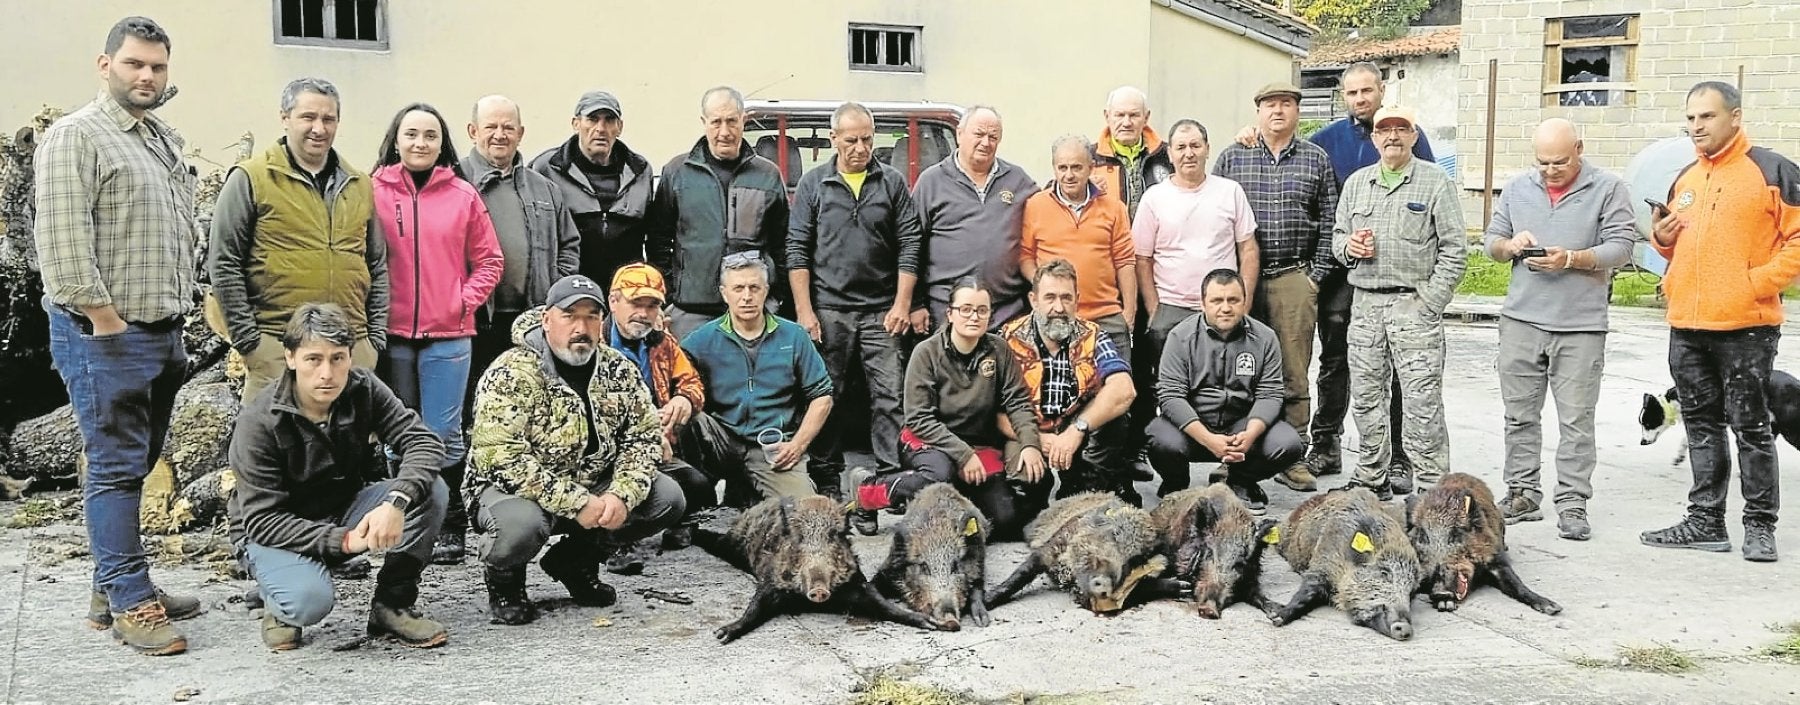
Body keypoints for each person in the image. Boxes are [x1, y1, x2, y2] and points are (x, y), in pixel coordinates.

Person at [34, 15, 203, 655]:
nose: (147, 76)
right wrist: (105, 321)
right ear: (106, 64)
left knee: (136, 464)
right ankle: (132, 602)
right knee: (113, 467)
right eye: (135, 64)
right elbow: (63, 245)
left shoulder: (157, 137)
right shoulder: (76, 137)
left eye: (157, 67)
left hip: (162, 329)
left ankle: (115, 582)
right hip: (104, 332)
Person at [1241, 62, 1437, 489]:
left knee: (1397, 371)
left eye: (1367, 90)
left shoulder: (1408, 137)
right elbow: (1291, 163)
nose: (1360, 99)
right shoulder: (1327, 141)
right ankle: (1326, 444)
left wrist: (1431, 294)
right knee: (1335, 363)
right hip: (1341, 278)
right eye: (1352, 93)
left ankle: (1399, 456)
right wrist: (1251, 134)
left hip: (1398, 279)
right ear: (1342, 96)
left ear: (1381, 90)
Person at [466, 275, 689, 624]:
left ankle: (575, 560)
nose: (581, 327)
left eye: (591, 316)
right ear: (546, 319)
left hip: (592, 483)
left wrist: (621, 495)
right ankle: (505, 581)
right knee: (519, 527)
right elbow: (501, 458)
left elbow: (643, 438)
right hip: (516, 490)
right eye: (570, 316)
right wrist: (577, 503)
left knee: (667, 498)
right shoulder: (511, 372)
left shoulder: (619, 369)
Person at [228, 303, 452, 651]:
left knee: (431, 490)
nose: (327, 373)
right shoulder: (259, 420)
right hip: (274, 531)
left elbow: (422, 441)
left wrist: (397, 500)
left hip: (342, 508)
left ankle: (392, 604)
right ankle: (279, 601)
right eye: (313, 359)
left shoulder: (362, 388)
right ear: (290, 358)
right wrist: (345, 541)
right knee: (309, 602)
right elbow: (262, 520)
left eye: (338, 358)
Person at [1640, 81, 1800, 562]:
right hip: (1687, 324)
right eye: (1689, 119)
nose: (1696, 127)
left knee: (1751, 427)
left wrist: (1754, 283)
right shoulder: (1685, 178)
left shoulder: (1773, 171)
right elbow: (1670, 247)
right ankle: (1705, 522)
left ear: (1735, 116)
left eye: (1706, 117)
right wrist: (1662, 240)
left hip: (1745, 327)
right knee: (1701, 426)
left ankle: (1760, 526)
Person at [1483, 118, 1637, 540]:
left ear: (1580, 149)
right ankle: (1521, 492)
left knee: (1576, 420)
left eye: (1560, 162)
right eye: (1543, 162)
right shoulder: (1517, 188)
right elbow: (1491, 241)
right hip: (1521, 320)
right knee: (1519, 416)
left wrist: (1572, 259)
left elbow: (1622, 247)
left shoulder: (1608, 188)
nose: (1550, 170)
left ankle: (1572, 502)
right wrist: (1509, 246)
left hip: (1580, 326)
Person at [371, 102, 504, 568]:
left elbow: (490, 260)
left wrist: (462, 300)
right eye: (411, 134)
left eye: (429, 135)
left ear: (442, 142)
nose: (420, 143)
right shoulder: (374, 192)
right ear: (396, 139)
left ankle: (447, 520)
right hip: (392, 334)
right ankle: (404, 514)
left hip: (450, 334)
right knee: (397, 432)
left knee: (444, 432)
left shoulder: (463, 194)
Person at [453, 94, 580, 564]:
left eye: (509, 127)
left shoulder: (543, 188)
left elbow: (570, 243)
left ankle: (530, 509)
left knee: (533, 419)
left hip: (530, 325)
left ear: (521, 134)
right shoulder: (456, 182)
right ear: (472, 132)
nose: (500, 135)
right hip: (473, 322)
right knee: (469, 418)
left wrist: (553, 294)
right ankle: (463, 515)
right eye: (491, 127)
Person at [209, 77, 388, 402]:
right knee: (272, 450)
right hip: (277, 348)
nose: (318, 128)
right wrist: (250, 342)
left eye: (328, 119)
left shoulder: (360, 184)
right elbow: (224, 263)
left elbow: (376, 264)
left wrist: (372, 340)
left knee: (344, 451)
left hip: (348, 352)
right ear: (285, 117)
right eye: (308, 117)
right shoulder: (252, 178)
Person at [787, 101, 925, 498]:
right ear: (834, 139)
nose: (860, 148)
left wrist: (901, 304)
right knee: (826, 395)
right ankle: (827, 479)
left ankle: (888, 478)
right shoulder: (814, 184)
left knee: (888, 397)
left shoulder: (892, 182)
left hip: (882, 311)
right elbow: (797, 249)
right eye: (851, 140)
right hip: (829, 310)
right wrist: (805, 312)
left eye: (867, 139)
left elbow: (910, 244)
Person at [1330, 105, 1466, 501]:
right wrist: (1348, 247)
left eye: (1400, 129)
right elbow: (1338, 238)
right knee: (1368, 398)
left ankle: (1430, 486)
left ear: (1412, 135)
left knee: (1421, 401)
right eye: (1383, 130)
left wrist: (1430, 303)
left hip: (1413, 306)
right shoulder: (1357, 183)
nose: (1391, 136)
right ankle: (1372, 477)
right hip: (1366, 305)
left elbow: (1455, 250)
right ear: (1374, 138)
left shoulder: (1435, 182)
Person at [1211, 82, 1340, 493]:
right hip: (1240, 281)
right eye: (1270, 104)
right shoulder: (1234, 156)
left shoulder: (1315, 159)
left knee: (1293, 369)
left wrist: (1314, 277)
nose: (1278, 111)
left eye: (1286, 104)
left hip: (1292, 278)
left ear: (1297, 112)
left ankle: (1292, 454)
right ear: (1258, 112)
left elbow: (1330, 219)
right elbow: (1214, 213)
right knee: (1236, 367)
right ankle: (1232, 454)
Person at [853, 278, 1050, 538]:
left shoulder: (999, 349)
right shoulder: (926, 352)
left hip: (979, 446)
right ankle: (868, 492)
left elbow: (1018, 402)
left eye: (982, 310)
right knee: (940, 475)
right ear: (950, 313)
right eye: (965, 309)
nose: (974, 316)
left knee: (1003, 521)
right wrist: (964, 455)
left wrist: (1029, 444)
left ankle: (946, 502)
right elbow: (919, 418)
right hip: (927, 441)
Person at [1131, 119, 1258, 446]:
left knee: (1230, 391)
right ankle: (1173, 464)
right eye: (1181, 147)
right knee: (1172, 392)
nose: (1189, 153)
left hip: (1223, 311)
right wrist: (1154, 309)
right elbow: (1142, 258)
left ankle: (1230, 460)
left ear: (1207, 149)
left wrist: (1244, 301)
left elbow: (1248, 248)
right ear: (1169, 154)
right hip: (1171, 310)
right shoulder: (1154, 198)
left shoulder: (1229, 191)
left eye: (1195, 146)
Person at [1146, 269, 1302, 515]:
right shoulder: (1180, 336)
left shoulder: (1265, 337)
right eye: (1217, 300)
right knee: (1158, 438)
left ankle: (1240, 481)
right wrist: (1208, 439)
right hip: (1194, 428)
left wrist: (1251, 433)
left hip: (1241, 425)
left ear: (1244, 301)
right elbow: (1170, 396)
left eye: (1233, 300)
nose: (1226, 308)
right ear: (1203, 304)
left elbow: (1270, 392)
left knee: (1288, 444)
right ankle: (1176, 485)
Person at [681, 255, 835, 500]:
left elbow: (822, 396)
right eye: (738, 288)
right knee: (689, 416)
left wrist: (797, 445)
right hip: (721, 442)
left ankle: (746, 490)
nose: (746, 296)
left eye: (754, 288)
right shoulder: (701, 340)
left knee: (803, 512)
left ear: (766, 291)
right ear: (724, 293)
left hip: (770, 447)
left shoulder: (793, 336)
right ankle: (697, 504)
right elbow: (672, 379)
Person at [648, 86, 790, 339]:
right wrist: (670, 296)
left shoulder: (767, 174)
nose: (724, 132)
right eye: (716, 122)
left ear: (743, 121)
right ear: (704, 122)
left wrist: (777, 297)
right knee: (690, 378)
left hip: (751, 309)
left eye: (731, 121)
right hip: (690, 312)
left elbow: (781, 244)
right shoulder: (678, 172)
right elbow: (658, 240)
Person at [998, 260, 1137, 503]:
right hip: (1028, 431)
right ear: (1033, 299)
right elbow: (992, 410)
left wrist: (1076, 430)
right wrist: (1037, 439)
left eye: (1066, 298)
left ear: (1077, 299)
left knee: (1118, 419)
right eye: (1049, 297)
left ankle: (1086, 484)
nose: (1058, 307)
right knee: (1025, 499)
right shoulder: (1006, 339)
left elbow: (1124, 389)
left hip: (1078, 433)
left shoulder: (1094, 335)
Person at [604, 263, 715, 563]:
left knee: (698, 485)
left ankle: (680, 520)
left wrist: (685, 401)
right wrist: (646, 437)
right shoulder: (593, 345)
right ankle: (610, 539)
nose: (643, 312)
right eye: (635, 302)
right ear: (613, 301)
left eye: (652, 305)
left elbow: (692, 382)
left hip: (659, 447)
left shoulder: (662, 342)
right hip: (609, 453)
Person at [913, 105, 1039, 328]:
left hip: (1007, 312)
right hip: (947, 311)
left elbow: (1049, 206)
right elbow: (912, 246)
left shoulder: (1017, 180)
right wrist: (915, 304)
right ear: (960, 134)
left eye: (993, 136)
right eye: (979, 134)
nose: (986, 142)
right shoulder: (931, 181)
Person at [1021, 134, 1138, 365]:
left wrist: (1129, 315)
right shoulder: (1035, 205)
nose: (1069, 175)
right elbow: (1025, 256)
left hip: (1106, 318)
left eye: (1076, 167)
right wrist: (1046, 286)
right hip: (1054, 316)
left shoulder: (1114, 208)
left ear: (1091, 168)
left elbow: (1125, 261)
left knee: (1118, 391)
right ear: (1054, 168)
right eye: (1062, 167)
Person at [526, 90, 653, 288]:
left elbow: (654, 236)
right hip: (570, 291)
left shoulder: (641, 170)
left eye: (609, 120)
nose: (600, 128)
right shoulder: (546, 168)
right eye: (592, 119)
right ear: (576, 124)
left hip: (625, 294)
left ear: (619, 127)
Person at [1090, 86, 1172, 219]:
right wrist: (1083, 190)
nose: (1127, 123)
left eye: (1134, 115)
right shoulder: (1088, 159)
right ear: (1107, 116)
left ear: (1146, 117)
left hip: (1158, 238)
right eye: (1120, 115)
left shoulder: (1168, 155)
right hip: (1108, 238)